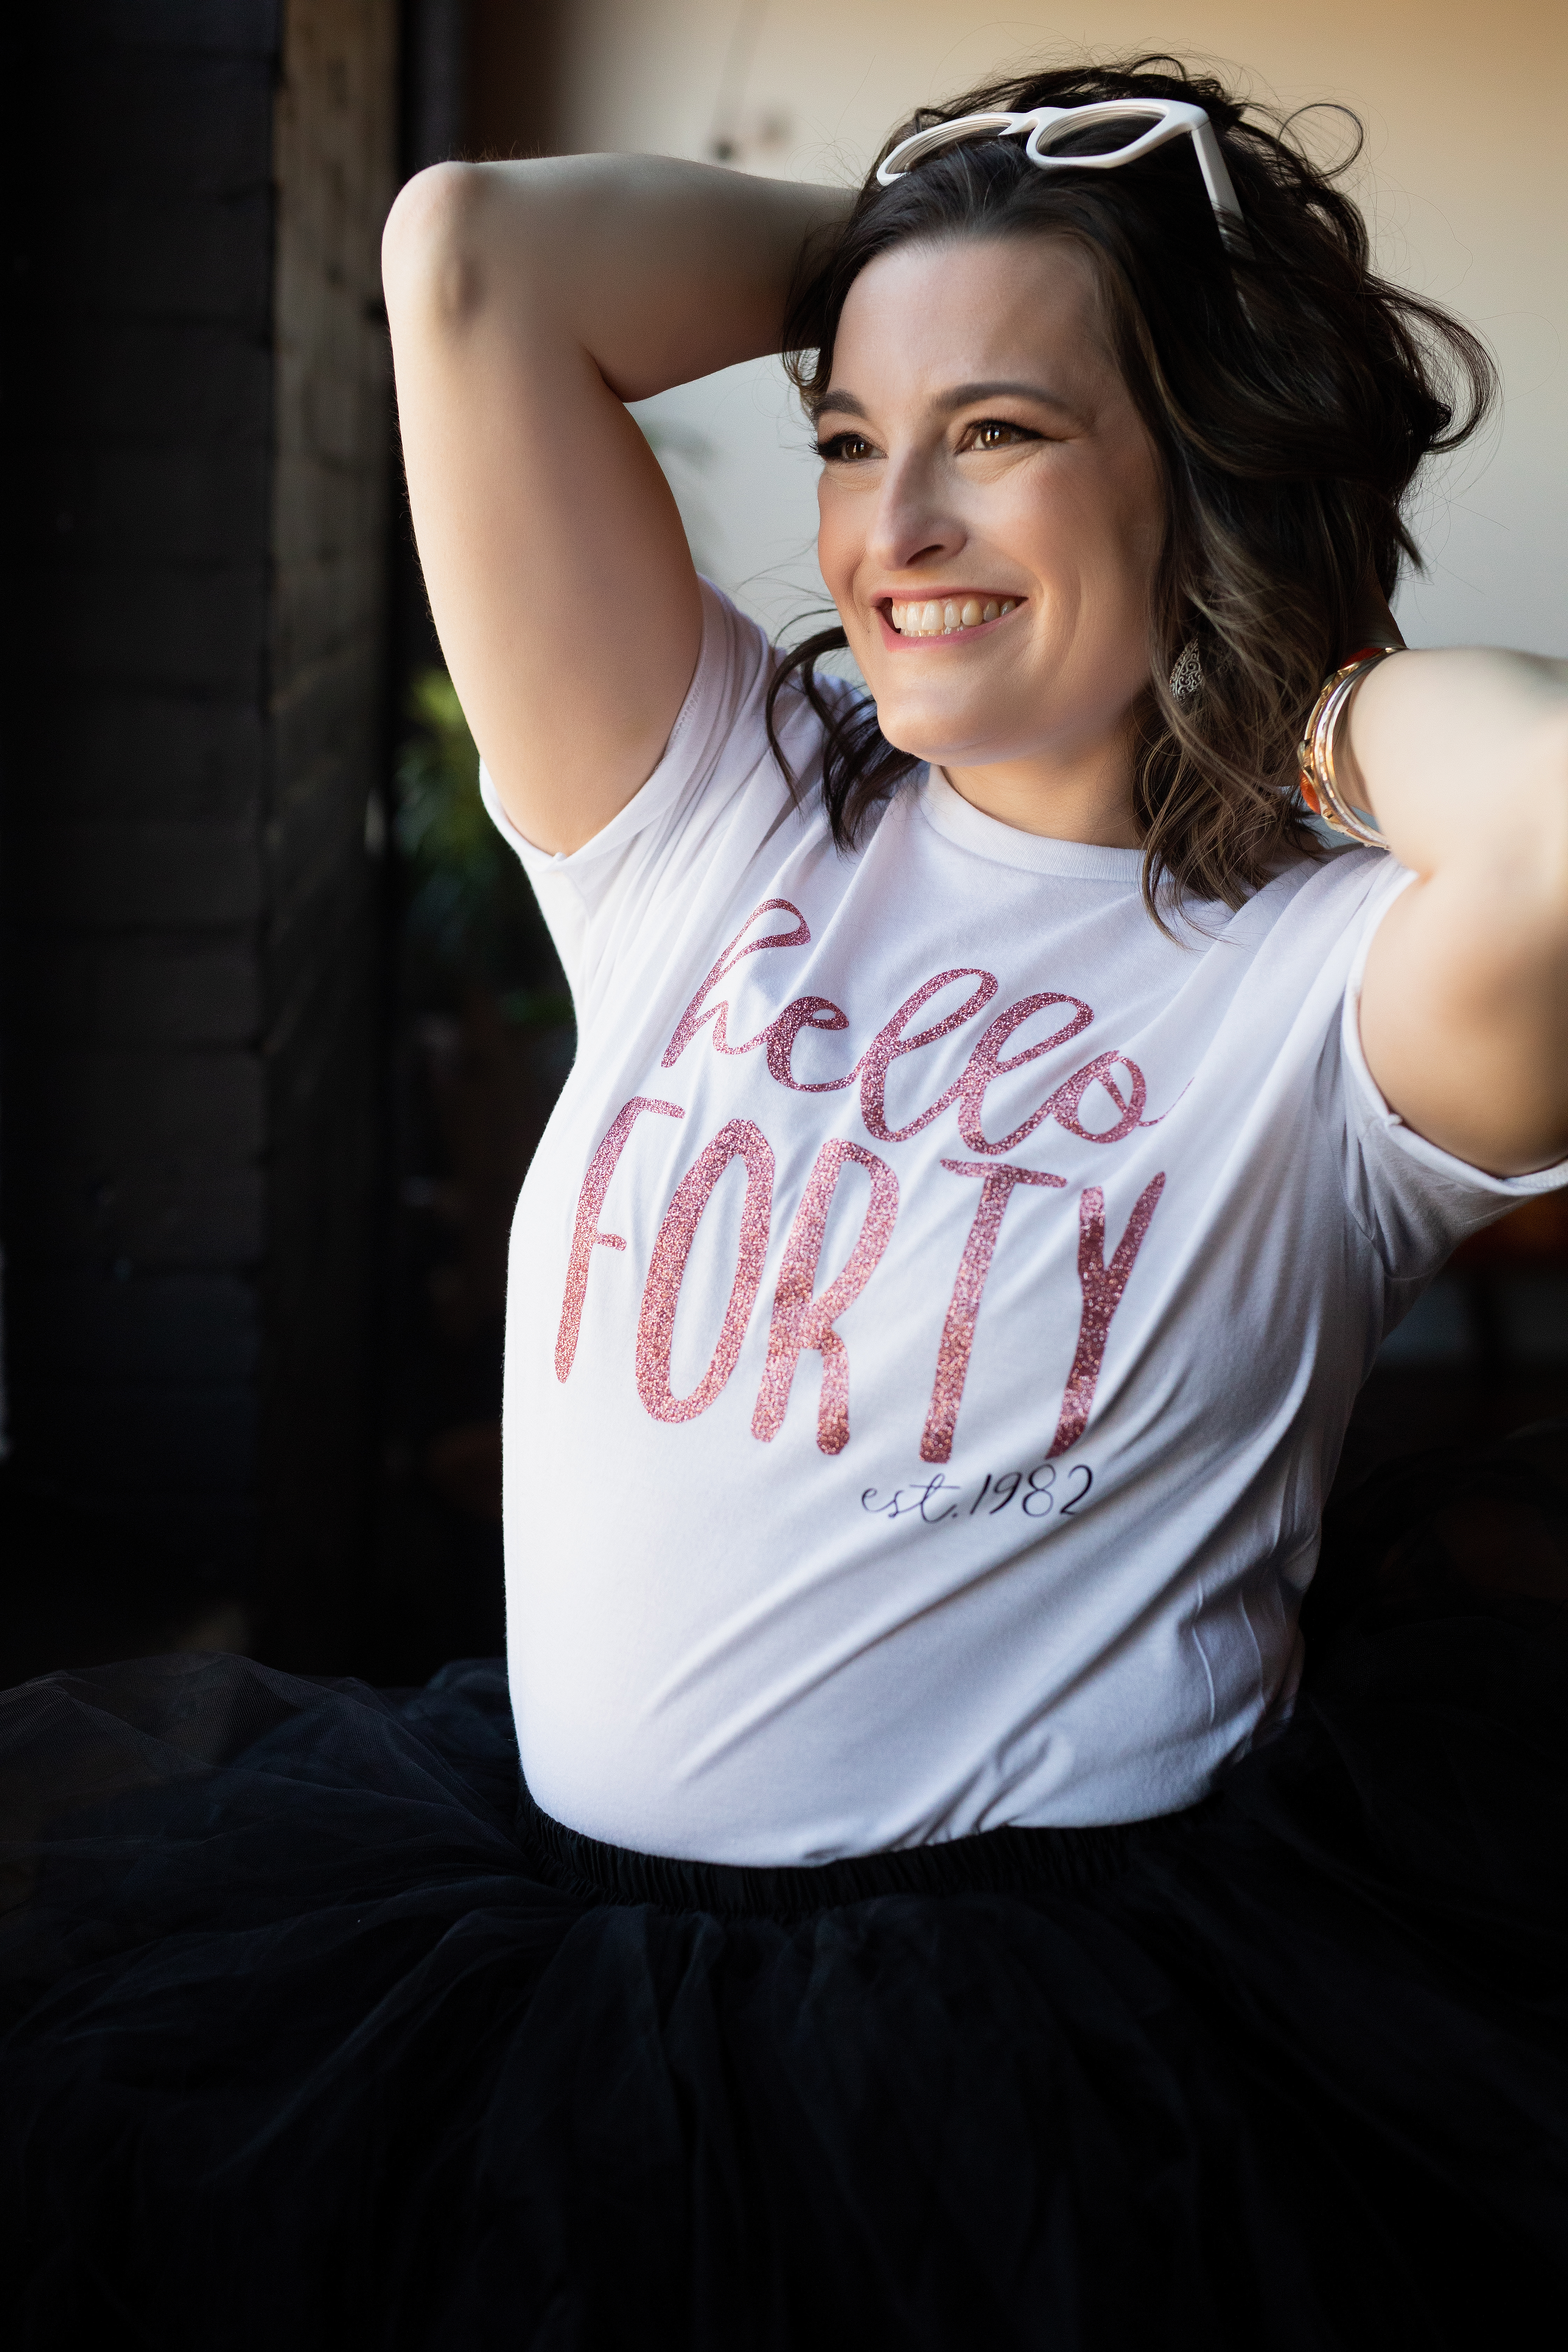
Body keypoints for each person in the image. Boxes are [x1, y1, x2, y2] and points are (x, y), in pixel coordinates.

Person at [3, 54, 1567, 2351]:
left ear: (1207, 458)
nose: (893, 525)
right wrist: (954, 237)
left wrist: (1295, 717)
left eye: (1000, 434)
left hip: (1057, 2072)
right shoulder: (712, 813)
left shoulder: (1329, 993)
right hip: (524, 1990)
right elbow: (471, 261)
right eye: (851, 435)